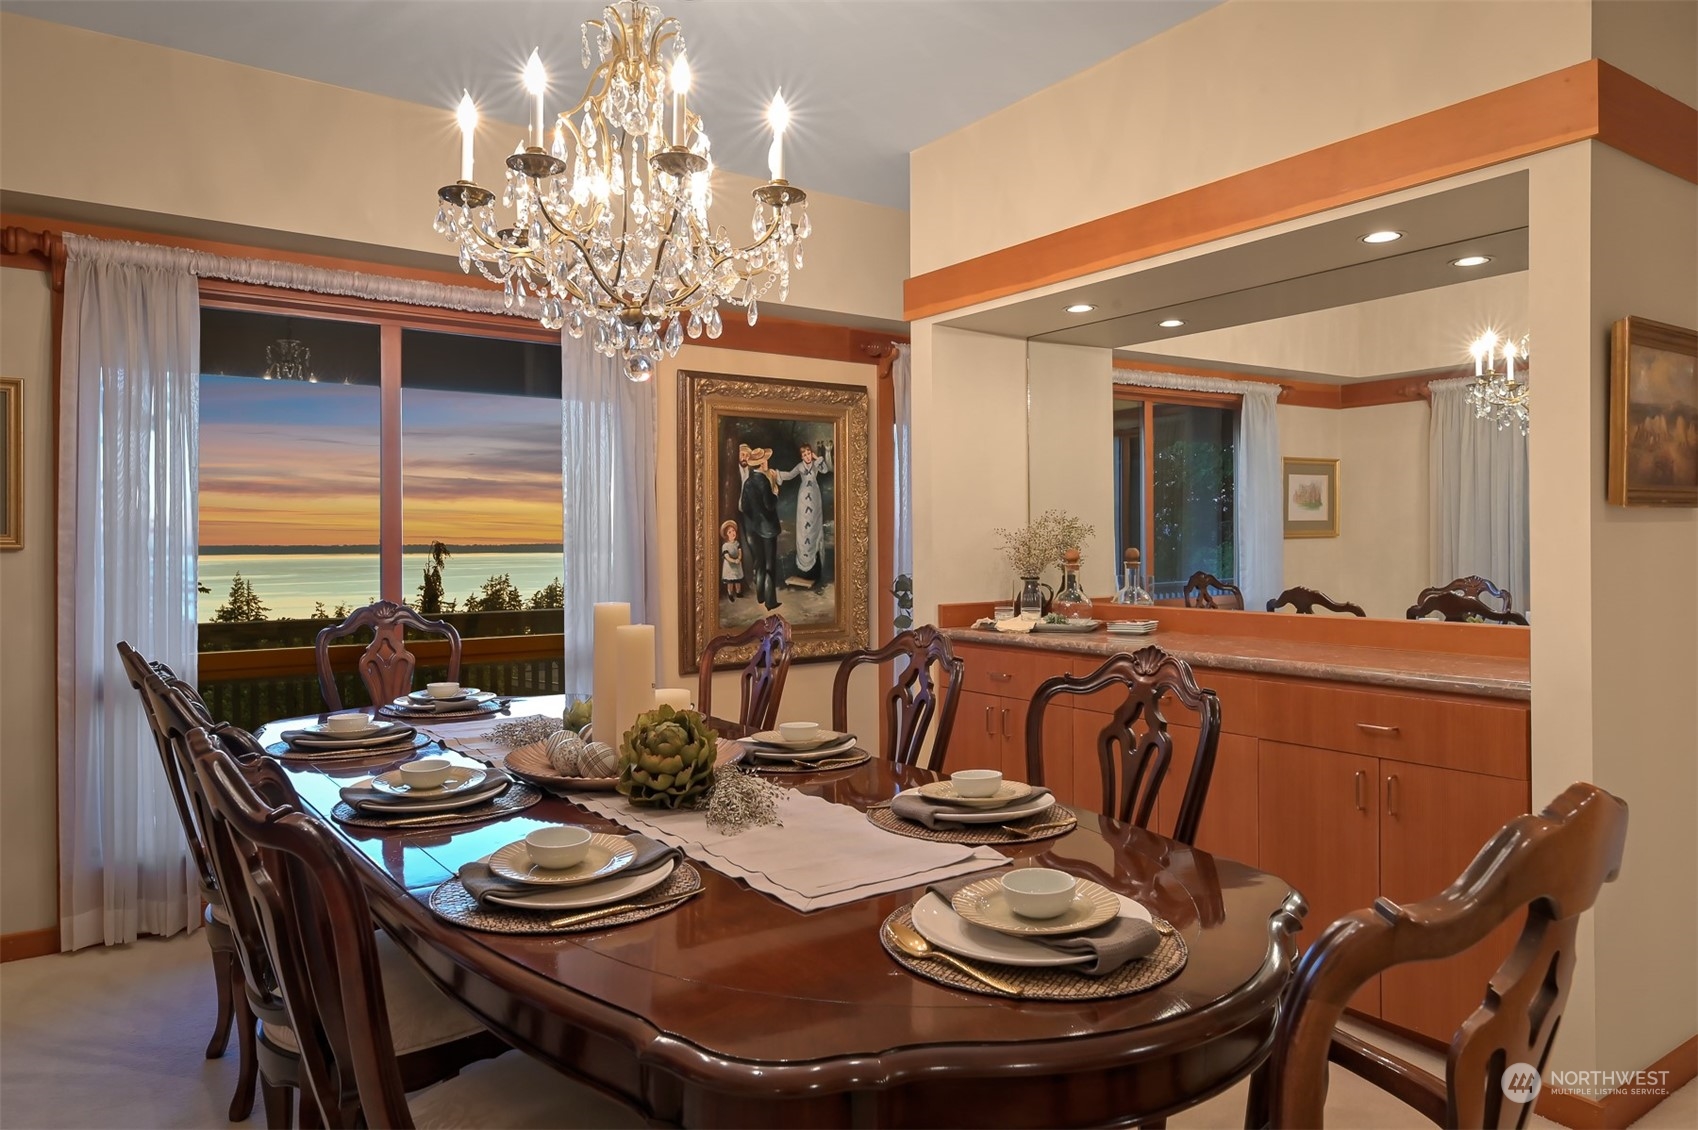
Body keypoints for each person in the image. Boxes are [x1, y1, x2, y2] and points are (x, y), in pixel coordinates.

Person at [775, 439, 833, 591]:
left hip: (815, 497)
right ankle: (803, 568)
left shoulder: (815, 465)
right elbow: (788, 475)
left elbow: (825, 470)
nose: (807, 457)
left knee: (814, 529)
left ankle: (817, 570)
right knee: (803, 529)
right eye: (805, 455)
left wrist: (817, 458)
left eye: (809, 454)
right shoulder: (800, 467)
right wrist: (776, 474)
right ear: (801, 457)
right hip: (803, 499)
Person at [738, 446, 782, 610]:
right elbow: (770, 505)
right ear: (761, 463)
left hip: (755, 527)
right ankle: (770, 601)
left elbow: (744, 506)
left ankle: (760, 596)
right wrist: (775, 492)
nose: (767, 462)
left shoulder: (748, 482)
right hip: (768, 528)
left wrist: (755, 518)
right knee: (770, 564)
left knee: (760, 561)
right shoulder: (763, 481)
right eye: (765, 460)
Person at [720, 520, 744, 601]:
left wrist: (739, 559)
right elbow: (726, 556)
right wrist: (733, 561)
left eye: (733, 531)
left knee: (737, 580)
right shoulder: (725, 546)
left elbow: (740, 552)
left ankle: (738, 592)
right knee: (730, 582)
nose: (732, 533)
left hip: (737, 564)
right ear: (726, 535)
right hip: (729, 566)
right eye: (729, 532)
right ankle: (730, 594)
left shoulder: (737, 543)